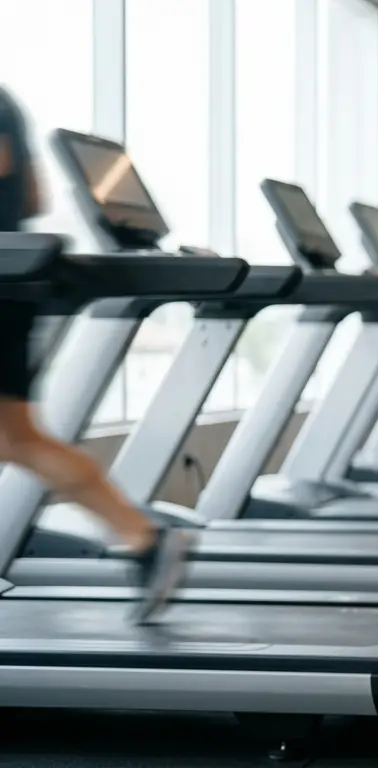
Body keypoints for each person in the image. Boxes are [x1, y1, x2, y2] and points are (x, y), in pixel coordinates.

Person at [0, 86, 191, 625]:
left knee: (16, 439)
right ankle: (143, 537)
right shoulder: (7, 102)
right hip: (10, 280)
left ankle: (144, 537)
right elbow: (33, 197)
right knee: (17, 439)